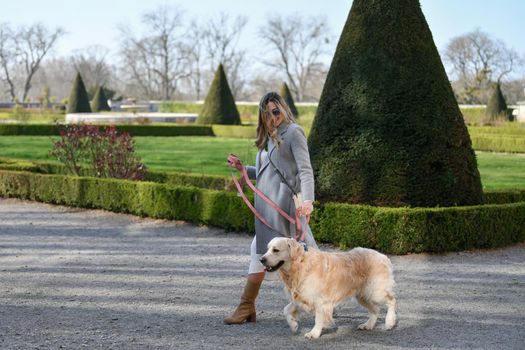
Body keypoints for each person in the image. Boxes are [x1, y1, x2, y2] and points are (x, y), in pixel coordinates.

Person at [224, 91, 318, 325]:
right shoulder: (270, 137)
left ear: (284, 109)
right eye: (267, 114)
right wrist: (243, 169)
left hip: (284, 208)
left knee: (305, 256)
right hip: (269, 208)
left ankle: (247, 305)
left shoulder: (294, 133)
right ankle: (247, 306)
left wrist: (308, 200)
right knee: (268, 250)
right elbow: (267, 174)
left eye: (276, 111)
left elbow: (305, 170)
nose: (273, 116)